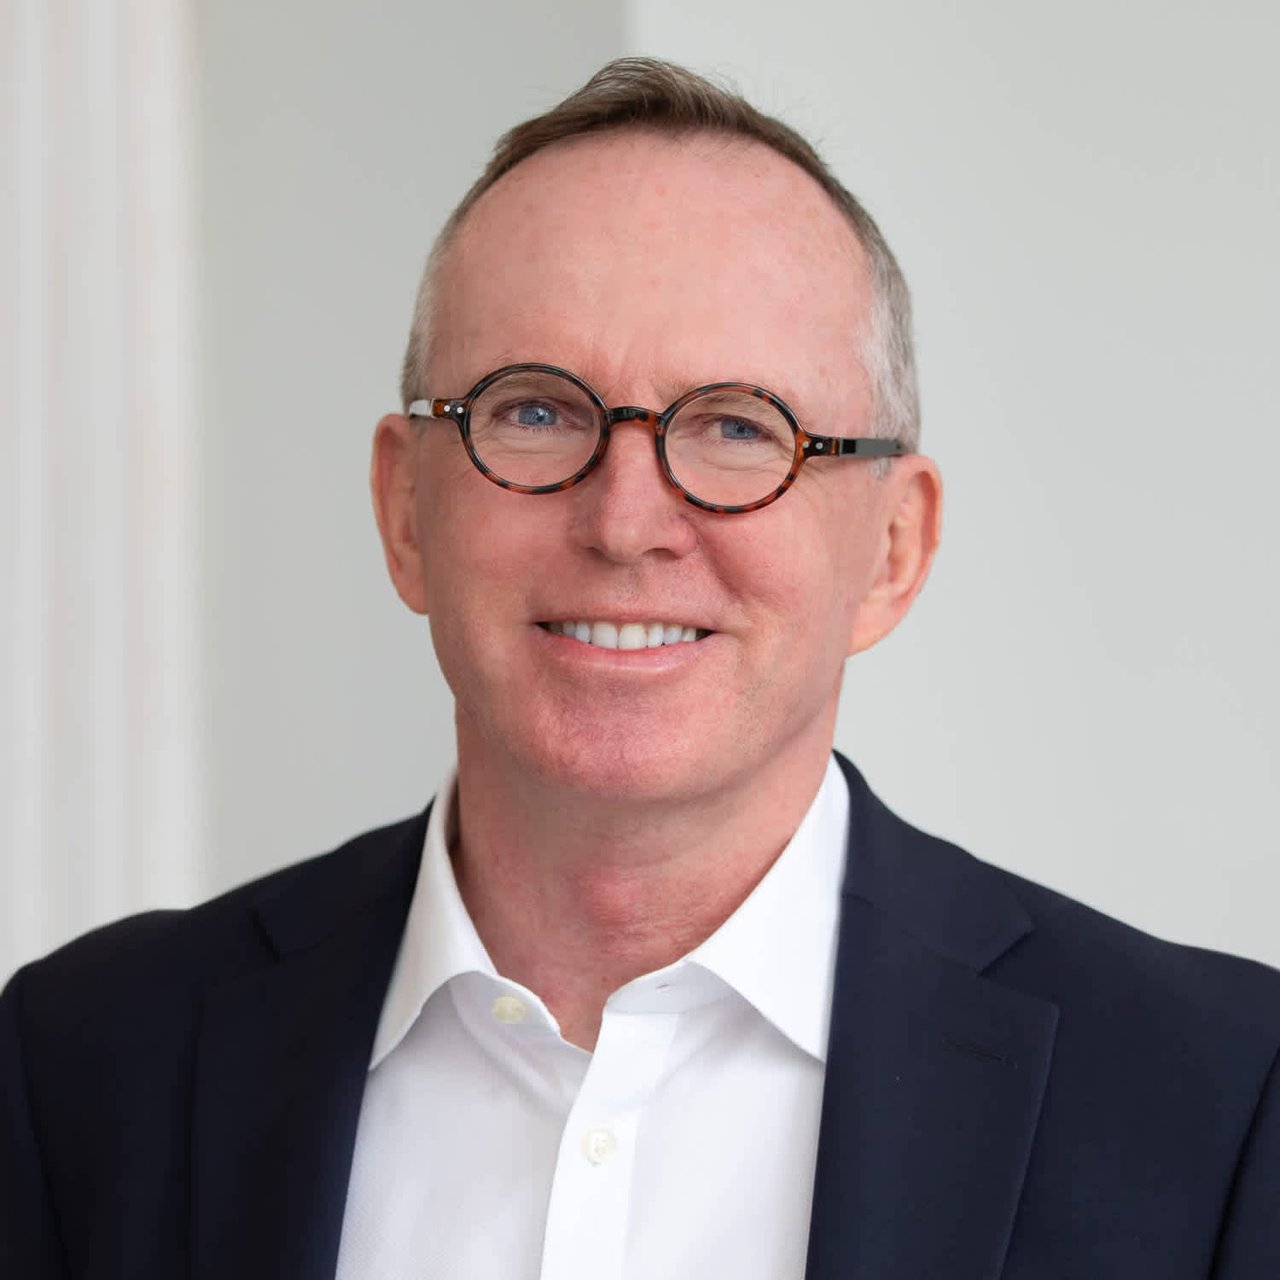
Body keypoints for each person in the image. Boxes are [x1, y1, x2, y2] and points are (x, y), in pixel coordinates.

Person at [1, 57, 1276, 1280]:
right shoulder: (81, 1064)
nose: (624, 521)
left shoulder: (1217, 1103)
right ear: (404, 511)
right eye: (534, 410)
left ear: (893, 547)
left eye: (735, 427)